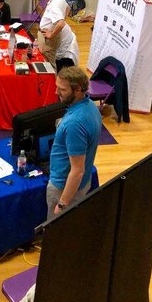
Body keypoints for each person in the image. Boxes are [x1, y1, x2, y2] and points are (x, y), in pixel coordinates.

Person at [47, 67, 101, 218]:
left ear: (77, 90)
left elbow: (77, 171)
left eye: (62, 89)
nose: (56, 92)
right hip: (82, 183)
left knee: (57, 230)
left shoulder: (74, 124)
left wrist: (62, 204)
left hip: (64, 188)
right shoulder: (90, 106)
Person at [37, 0, 79, 71]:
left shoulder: (54, 6)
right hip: (53, 35)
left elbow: (61, 23)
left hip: (50, 38)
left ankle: (52, 83)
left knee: (49, 63)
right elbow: (67, 9)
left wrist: (51, 34)